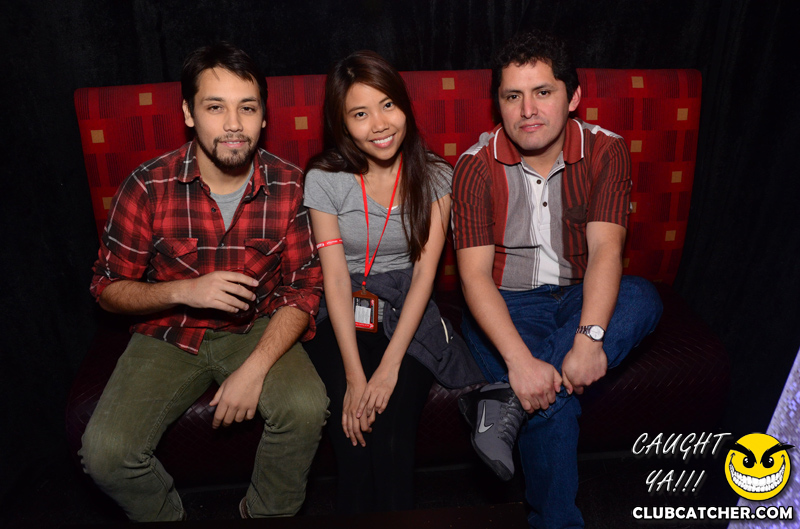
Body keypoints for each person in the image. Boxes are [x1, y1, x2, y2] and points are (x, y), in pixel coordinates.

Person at [79, 42, 328, 522]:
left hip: (257, 325)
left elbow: (303, 290)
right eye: (216, 107)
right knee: (106, 454)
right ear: (189, 114)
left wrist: (254, 370)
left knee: (305, 407)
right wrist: (182, 291)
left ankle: (264, 514)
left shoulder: (293, 185)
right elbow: (106, 289)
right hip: (167, 331)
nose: (233, 124)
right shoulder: (148, 185)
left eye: (247, 108)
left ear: (263, 118)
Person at [452, 30, 663, 529]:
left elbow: (607, 250)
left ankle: (502, 402)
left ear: (573, 97)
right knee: (551, 406)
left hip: (579, 295)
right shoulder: (474, 167)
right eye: (513, 96)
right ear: (498, 105)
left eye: (542, 92)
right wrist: (521, 363)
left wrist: (589, 339)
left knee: (642, 296)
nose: (527, 110)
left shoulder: (606, 151)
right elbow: (474, 278)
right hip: (506, 302)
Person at [302, 50, 483, 513]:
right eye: (360, 113)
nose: (379, 124)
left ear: (404, 107)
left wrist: (388, 369)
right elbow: (334, 278)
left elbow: (424, 274)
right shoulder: (324, 178)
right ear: (343, 124)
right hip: (341, 309)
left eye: (388, 105)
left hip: (407, 308)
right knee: (353, 442)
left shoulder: (437, 176)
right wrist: (355, 376)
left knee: (392, 445)